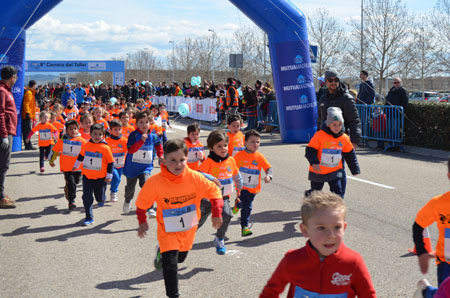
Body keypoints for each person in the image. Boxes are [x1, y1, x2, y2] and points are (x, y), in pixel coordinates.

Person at [136, 139, 223, 298]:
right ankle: (173, 295)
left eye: (182, 160)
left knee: (181, 258)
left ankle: (160, 252)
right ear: (163, 161)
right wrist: (142, 221)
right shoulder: (155, 182)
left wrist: (217, 213)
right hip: (167, 230)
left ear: (187, 158)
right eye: (173, 160)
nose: (178, 165)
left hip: (188, 229)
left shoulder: (195, 178)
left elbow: (215, 193)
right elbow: (142, 203)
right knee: (170, 265)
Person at [259, 191, 376, 297]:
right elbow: (270, 292)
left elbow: (368, 295)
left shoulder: (353, 262)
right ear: (305, 230)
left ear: (344, 227)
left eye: (337, 227)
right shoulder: (292, 260)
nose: (331, 235)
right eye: (321, 228)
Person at [197, 130, 242, 255]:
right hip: (207, 199)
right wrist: (210, 178)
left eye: (225, 145)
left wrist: (239, 190)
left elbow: (237, 176)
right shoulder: (209, 162)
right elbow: (198, 174)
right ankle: (183, 239)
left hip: (223, 197)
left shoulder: (231, 160)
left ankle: (219, 238)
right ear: (211, 148)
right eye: (219, 146)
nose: (223, 149)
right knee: (196, 223)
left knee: (227, 215)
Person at [318, 69, 361, 197]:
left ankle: (339, 198)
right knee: (323, 171)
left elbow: (354, 120)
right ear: (325, 82)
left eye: (336, 80)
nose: (333, 82)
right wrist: (317, 138)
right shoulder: (323, 97)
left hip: (340, 141)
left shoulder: (346, 98)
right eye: (330, 80)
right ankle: (323, 199)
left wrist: (354, 141)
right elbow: (320, 119)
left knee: (338, 170)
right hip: (324, 142)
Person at [412, 156, 450, 298]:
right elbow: (418, 225)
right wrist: (422, 252)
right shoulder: (439, 204)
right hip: (447, 262)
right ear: (449, 176)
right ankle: (426, 291)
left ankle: (425, 290)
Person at [305, 107, 360, 198]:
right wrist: (314, 163)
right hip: (318, 170)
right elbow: (310, 150)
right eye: (334, 124)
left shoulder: (344, 138)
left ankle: (336, 210)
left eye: (339, 125)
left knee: (338, 193)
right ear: (328, 124)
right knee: (315, 192)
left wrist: (355, 169)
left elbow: (350, 154)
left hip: (334, 171)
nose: (337, 127)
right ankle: (309, 195)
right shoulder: (320, 135)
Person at [72, 124, 114, 226]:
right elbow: (81, 156)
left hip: (100, 178)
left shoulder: (105, 148)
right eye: (94, 134)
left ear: (103, 135)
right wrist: (76, 165)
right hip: (87, 176)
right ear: (90, 134)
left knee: (99, 197)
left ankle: (102, 197)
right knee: (86, 197)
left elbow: (110, 162)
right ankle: (89, 217)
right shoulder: (86, 145)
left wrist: (109, 175)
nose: (97, 136)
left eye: (100, 134)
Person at [122, 112, 163, 216]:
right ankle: (127, 200)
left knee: (147, 185)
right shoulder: (133, 135)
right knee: (130, 188)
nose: (144, 124)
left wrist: (161, 156)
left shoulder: (153, 136)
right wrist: (141, 141)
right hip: (132, 168)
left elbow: (159, 146)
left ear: (150, 123)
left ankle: (150, 207)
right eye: (141, 122)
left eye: (146, 122)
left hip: (145, 167)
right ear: (136, 124)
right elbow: (131, 150)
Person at [233, 130, 272, 236]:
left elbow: (268, 167)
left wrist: (269, 175)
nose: (256, 144)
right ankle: (244, 227)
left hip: (253, 189)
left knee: (244, 202)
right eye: (253, 142)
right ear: (245, 143)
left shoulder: (259, 157)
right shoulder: (239, 155)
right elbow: (230, 166)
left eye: (258, 142)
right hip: (241, 187)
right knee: (247, 206)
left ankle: (237, 204)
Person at [49, 120, 87, 210]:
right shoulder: (63, 140)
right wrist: (52, 160)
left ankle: (68, 188)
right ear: (66, 130)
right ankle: (71, 201)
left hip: (78, 167)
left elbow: (88, 150)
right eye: (70, 129)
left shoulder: (81, 140)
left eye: (75, 128)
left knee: (77, 182)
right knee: (72, 183)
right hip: (66, 167)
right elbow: (55, 150)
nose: (73, 130)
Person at [0, 66, 18, 208]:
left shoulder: (6, 90)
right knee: (3, 165)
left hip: (7, 132)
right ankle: (0, 197)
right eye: (15, 76)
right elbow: (0, 114)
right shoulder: (2, 91)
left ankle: (1, 193)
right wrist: (4, 135)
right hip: (3, 134)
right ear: (12, 77)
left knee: (3, 165)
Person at [105, 120, 127, 202]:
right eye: (115, 129)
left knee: (118, 179)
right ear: (110, 131)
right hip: (111, 165)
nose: (118, 131)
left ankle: (113, 191)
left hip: (121, 164)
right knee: (116, 177)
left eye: (119, 129)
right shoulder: (107, 141)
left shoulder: (124, 140)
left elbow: (129, 151)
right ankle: (114, 192)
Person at [22, 80, 37, 150]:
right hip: (27, 114)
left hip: (28, 114)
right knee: (27, 130)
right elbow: (26, 103)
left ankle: (28, 144)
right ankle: (28, 145)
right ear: (33, 85)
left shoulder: (30, 92)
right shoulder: (29, 93)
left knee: (27, 130)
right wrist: (27, 112)